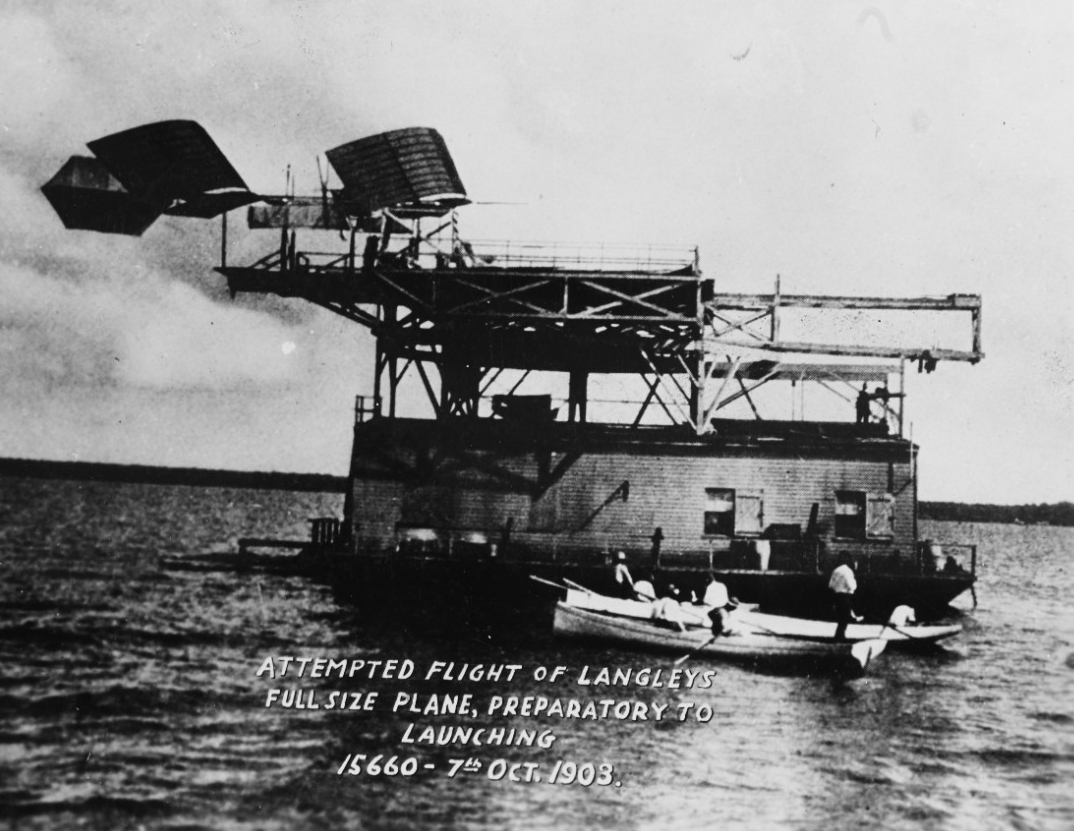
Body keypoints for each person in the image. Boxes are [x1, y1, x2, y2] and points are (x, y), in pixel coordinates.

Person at [828, 559, 862, 640]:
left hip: (837, 595)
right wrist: (854, 585)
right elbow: (851, 586)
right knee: (845, 616)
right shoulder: (848, 571)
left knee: (841, 616)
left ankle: (839, 634)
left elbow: (830, 585)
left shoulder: (836, 570)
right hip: (846, 596)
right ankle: (840, 635)